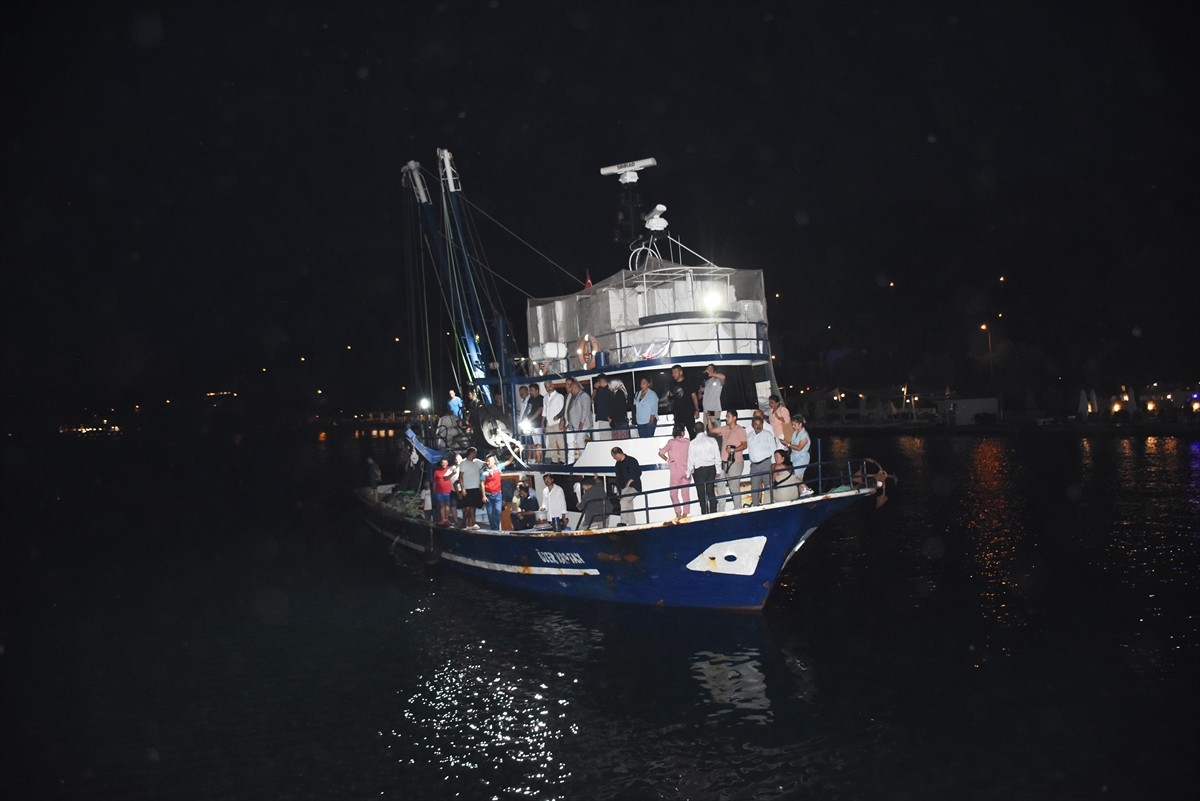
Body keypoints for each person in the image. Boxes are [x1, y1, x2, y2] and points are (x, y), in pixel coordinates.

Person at [710, 409, 747, 511]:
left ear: (734, 418)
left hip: (735, 462)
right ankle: (735, 508)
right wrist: (709, 419)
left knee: (734, 486)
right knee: (730, 486)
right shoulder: (725, 428)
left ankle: (738, 508)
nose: (726, 418)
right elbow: (711, 430)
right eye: (726, 416)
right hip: (725, 462)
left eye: (728, 416)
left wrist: (733, 450)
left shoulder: (740, 430)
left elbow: (744, 445)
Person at [657, 424, 692, 522]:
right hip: (686, 471)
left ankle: (678, 514)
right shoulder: (688, 442)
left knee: (673, 494)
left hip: (675, 472)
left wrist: (668, 460)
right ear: (683, 432)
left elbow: (660, 453)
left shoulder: (671, 442)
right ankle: (685, 514)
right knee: (685, 494)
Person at [686, 420, 721, 515]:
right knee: (711, 492)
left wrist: (688, 473)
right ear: (704, 429)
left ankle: (704, 514)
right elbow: (717, 456)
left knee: (701, 494)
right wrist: (718, 470)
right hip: (711, 468)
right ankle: (713, 513)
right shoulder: (712, 440)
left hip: (699, 471)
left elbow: (690, 460)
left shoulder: (693, 443)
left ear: (694, 430)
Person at [744, 411, 777, 506]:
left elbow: (773, 449)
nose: (758, 426)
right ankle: (755, 505)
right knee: (754, 488)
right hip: (754, 466)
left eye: (760, 424)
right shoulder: (749, 436)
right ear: (752, 425)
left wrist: (773, 465)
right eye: (756, 424)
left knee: (768, 486)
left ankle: (770, 504)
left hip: (766, 464)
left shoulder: (768, 434)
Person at [481, 451, 515, 529]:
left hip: (497, 495)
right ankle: (494, 529)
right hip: (488, 496)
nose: (487, 463)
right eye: (487, 461)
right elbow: (482, 484)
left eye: (489, 461)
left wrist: (513, 453)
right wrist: (483, 496)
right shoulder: (484, 471)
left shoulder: (498, 467)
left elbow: (508, 461)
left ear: (493, 461)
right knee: (490, 514)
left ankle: (495, 529)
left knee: (498, 511)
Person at [564, 377, 594, 462]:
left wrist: (582, 421)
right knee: (578, 441)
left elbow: (585, 409)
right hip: (576, 425)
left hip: (583, 424)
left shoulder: (584, 396)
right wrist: (570, 424)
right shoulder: (575, 396)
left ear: (575, 387)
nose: (570, 390)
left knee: (579, 440)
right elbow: (571, 411)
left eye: (571, 388)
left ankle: (586, 459)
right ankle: (585, 458)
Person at [610, 447, 642, 525]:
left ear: (617, 454)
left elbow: (638, 473)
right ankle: (632, 525)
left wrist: (630, 481)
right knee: (629, 506)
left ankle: (623, 522)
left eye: (614, 456)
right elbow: (618, 478)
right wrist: (618, 490)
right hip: (624, 488)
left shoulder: (631, 461)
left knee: (623, 501)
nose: (613, 458)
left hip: (634, 487)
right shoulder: (617, 464)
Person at [458, 447, 485, 530]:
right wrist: (462, 488)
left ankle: (473, 523)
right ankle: (466, 523)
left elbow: (485, 464)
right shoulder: (463, 463)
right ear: (472, 453)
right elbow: (460, 477)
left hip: (475, 487)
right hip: (467, 488)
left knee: (473, 506)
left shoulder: (477, 462)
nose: (476, 454)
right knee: (467, 507)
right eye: (475, 453)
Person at [784, 415, 813, 494]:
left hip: (802, 458)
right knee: (799, 477)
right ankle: (803, 493)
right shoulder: (795, 433)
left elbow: (799, 448)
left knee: (792, 475)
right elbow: (792, 443)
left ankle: (807, 488)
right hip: (794, 457)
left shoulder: (804, 435)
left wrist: (788, 445)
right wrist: (787, 443)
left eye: (794, 425)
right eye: (792, 425)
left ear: (800, 424)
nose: (793, 427)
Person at [667, 364, 696, 437]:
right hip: (678, 413)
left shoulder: (688, 382)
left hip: (689, 412)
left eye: (675, 372)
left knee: (692, 433)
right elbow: (670, 398)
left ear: (681, 372)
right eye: (672, 372)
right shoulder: (672, 384)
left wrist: (696, 410)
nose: (673, 374)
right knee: (678, 434)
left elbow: (694, 396)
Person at [543, 379, 566, 463]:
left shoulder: (559, 396)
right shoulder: (545, 397)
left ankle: (563, 459)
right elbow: (544, 410)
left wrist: (562, 422)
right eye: (546, 387)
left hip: (557, 423)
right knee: (552, 442)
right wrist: (543, 422)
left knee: (560, 442)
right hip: (549, 423)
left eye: (549, 386)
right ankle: (554, 460)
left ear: (552, 385)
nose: (548, 388)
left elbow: (563, 410)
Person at [432, 456, 456, 525]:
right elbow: (434, 482)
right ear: (441, 463)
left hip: (448, 491)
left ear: (447, 463)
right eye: (443, 463)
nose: (444, 464)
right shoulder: (436, 471)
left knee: (447, 505)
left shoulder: (450, 469)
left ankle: (447, 519)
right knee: (442, 505)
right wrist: (434, 491)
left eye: (445, 463)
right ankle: (443, 519)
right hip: (439, 491)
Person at [591, 374, 613, 441]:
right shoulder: (610, 390)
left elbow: (592, 400)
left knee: (605, 439)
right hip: (609, 418)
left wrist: (595, 389)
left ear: (601, 382)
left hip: (604, 418)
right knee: (608, 438)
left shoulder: (602, 392)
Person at [526, 382, 545, 462]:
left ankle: (540, 459)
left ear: (537, 390)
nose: (530, 392)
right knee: (535, 443)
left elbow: (540, 410)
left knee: (539, 444)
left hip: (538, 423)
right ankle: (536, 459)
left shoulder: (541, 398)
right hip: (531, 425)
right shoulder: (530, 399)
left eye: (532, 390)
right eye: (530, 390)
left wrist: (531, 419)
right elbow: (528, 410)